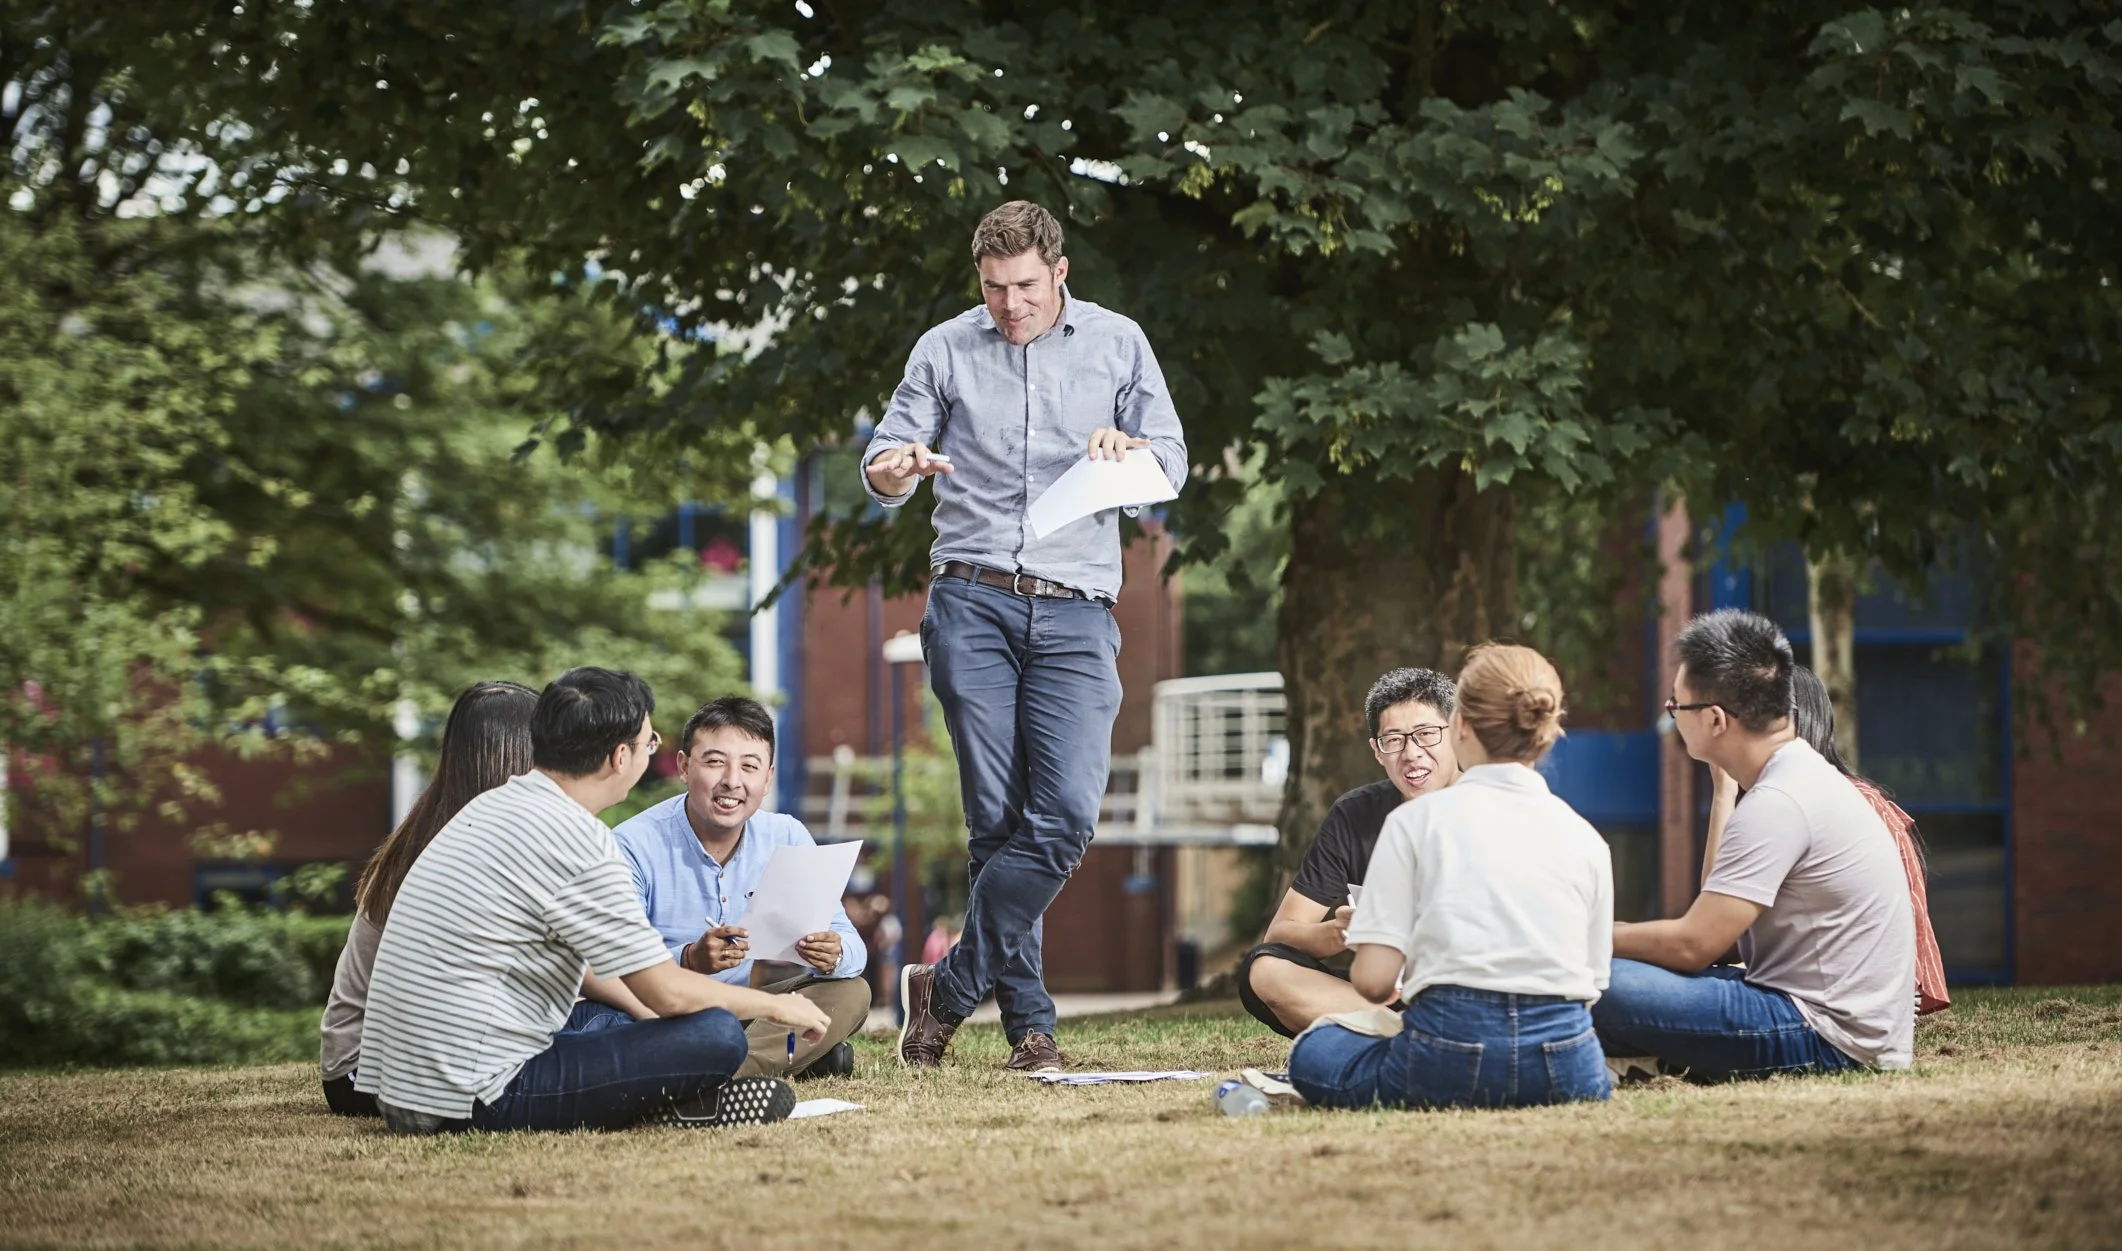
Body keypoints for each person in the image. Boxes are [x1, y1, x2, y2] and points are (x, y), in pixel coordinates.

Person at [863, 200, 1187, 1071]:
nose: (1010, 304)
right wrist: (895, 469)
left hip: (1077, 607)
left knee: (1067, 815)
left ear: (1060, 271)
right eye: (994, 287)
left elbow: (1171, 460)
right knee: (996, 820)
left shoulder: (1118, 343)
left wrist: (1128, 450)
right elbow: (885, 458)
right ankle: (1031, 1029)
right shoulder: (944, 348)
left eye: (1026, 286)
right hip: (971, 600)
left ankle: (948, 988)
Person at [354, 667, 832, 1134]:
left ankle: (672, 1097)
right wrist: (777, 1008)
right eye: (649, 743)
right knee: (717, 1035)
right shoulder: (578, 840)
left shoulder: (496, 805)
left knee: (617, 1018)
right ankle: (677, 1106)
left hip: (405, 1091)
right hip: (475, 1095)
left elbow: (605, 976)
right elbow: (665, 992)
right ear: (620, 757)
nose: (650, 753)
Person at [1287, 644, 1614, 1111]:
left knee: (1316, 1051)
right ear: (1545, 732)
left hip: (1450, 1050)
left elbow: (1375, 984)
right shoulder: (1586, 837)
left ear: (1459, 726)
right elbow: (1596, 979)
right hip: (1569, 1065)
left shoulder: (1413, 823)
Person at [1593, 610, 1916, 1079]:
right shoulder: (1798, 778)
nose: (1671, 717)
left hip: (1826, 1037)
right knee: (1610, 978)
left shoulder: (1779, 801)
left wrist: (1586, 937)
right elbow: (1719, 942)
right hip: (1832, 1022)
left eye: (1675, 706)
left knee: (1598, 982)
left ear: (1715, 720)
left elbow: (1695, 945)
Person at [597, 696, 871, 1080]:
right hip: (655, 1014)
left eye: (749, 766)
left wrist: (833, 953)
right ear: (684, 767)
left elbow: (852, 945)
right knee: (615, 1022)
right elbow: (613, 967)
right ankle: (782, 1058)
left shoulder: (786, 836)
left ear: (768, 778)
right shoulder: (632, 845)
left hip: (740, 1013)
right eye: (715, 762)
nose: (732, 781)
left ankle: (728, 1074)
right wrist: (689, 959)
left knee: (851, 990)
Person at [319, 680, 538, 1117]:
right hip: (365, 1072)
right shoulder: (456, 853)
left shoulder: (434, 831)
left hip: (379, 1064)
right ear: (513, 757)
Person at [1698, 665, 1950, 1016]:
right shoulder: (1792, 802)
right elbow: (1717, 927)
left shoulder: (1839, 804)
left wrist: (1725, 795)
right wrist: (1723, 793)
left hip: (1857, 997)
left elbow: (1718, 938)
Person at [1235, 667, 1461, 1037]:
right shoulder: (1356, 815)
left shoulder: (1493, 805)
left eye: (1426, 734)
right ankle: (1417, 1036)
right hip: (1389, 998)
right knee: (1264, 970)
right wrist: (1340, 933)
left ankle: (1414, 1038)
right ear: (1377, 751)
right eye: (1393, 740)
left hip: (1477, 990)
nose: (1411, 753)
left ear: (1458, 732)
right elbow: (1281, 933)